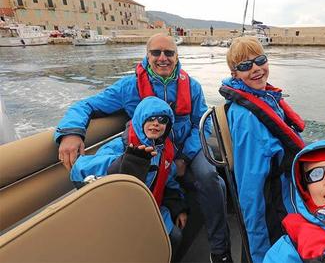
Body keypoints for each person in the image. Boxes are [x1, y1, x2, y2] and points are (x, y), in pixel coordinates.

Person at [55, 33, 232, 262]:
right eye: (156, 52)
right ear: (147, 56)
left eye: (169, 53)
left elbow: (203, 123)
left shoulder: (193, 87)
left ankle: (220, 250)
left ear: (177, 57)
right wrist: (70, 132)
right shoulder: (129, 87)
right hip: (151, 150)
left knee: (211, 177)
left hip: (186, 148)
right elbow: (87, 104)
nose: (162, 58)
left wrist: (185, 158)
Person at [220, 36, 305, 262]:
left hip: (287, 190)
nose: (256, 69)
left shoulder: (266, 98)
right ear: (235, 73)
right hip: (274, 204)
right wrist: (257, 246)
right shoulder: (248, 118)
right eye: (245, 66)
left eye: (260, 60)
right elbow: (251, 186)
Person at [70, 96, 187, 255]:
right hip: (118, 212)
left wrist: (178, 208)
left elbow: (169, 181)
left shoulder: (165, 151)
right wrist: (125, 162)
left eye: (162, 120)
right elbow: (80, 169)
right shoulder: (121, 146)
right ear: (140, 120)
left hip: (150, 207)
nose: (156, 123)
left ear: (168, 126)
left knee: (175, 237)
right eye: (150, 118)